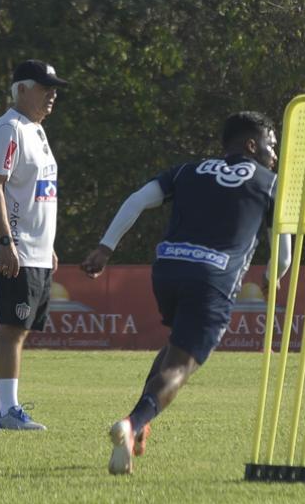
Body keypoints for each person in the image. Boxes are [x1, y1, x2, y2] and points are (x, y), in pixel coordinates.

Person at [80, 111, 292, 475]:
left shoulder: (187, 170)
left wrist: (105, 248)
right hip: (213, 277)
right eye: (272, 147)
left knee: (177, 344)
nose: (275, 155)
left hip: (167, 270)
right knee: (182, 364)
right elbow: (284, 255)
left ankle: (142, 423)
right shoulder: (271, 184)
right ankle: (132, 423)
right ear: (251, 144)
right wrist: (273, 277)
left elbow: (136, 200)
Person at [0, 60, 67, 431]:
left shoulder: (37, 131)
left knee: (19, 327)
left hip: (36, 248)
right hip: (17, 247)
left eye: (54, 88)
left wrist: (48, 247)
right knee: (13, 327)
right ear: (22, 89)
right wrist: (5, 241)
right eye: (44, 87)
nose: (52, 94)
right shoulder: (9, 129)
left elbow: (38, 192)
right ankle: (6, 409)